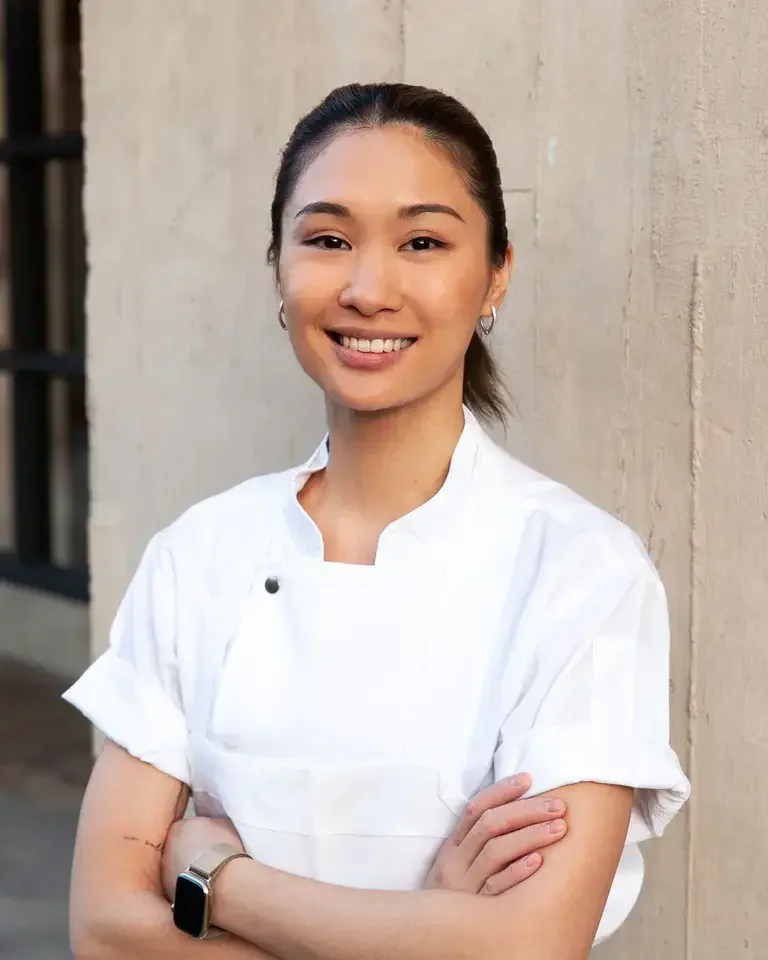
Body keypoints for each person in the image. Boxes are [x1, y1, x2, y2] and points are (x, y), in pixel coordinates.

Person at [63, 82, 689, 960]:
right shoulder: (199, 556)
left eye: (422, 242)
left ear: (495, 274)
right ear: (278, 269)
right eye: (327, 240)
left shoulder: (582, 572)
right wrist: (426, 931)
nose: (367, 289)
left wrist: (221, 879)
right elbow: (104, 931)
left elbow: (528, 946)